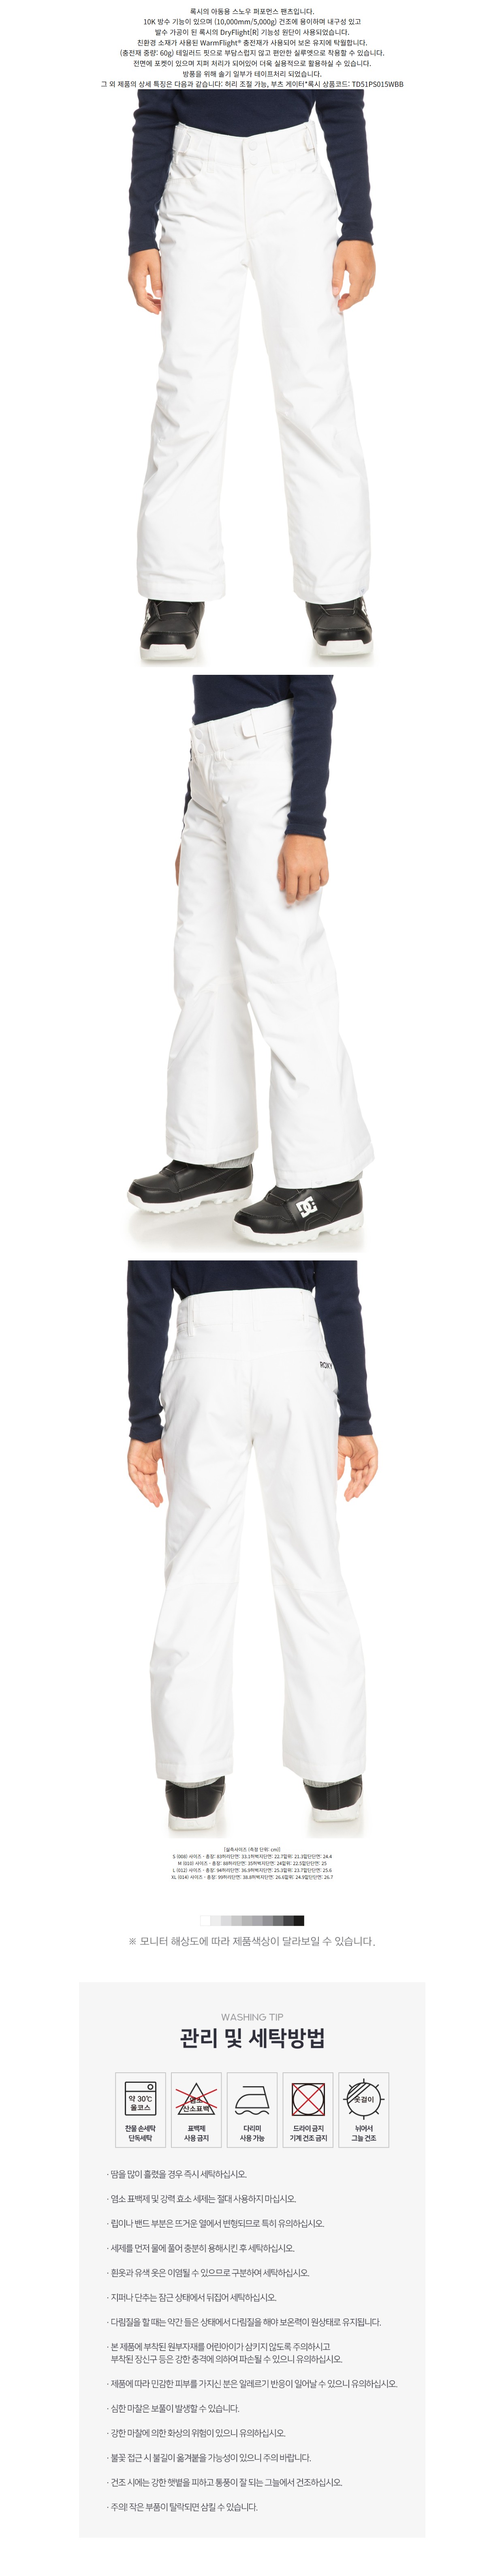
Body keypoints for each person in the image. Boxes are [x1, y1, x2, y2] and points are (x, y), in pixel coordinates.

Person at [127, 1258, 378, 1827]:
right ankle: (335, 1779)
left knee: (196, 1573)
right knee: (312, 1565)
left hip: (204, 1350)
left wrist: (145, 1421)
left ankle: (191, 1784)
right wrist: (356, 1415)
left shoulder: (170, 1201)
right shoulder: (312, 1196)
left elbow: (148, 1289)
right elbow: (339, 1290)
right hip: (294, 1347)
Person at [128, 89, 376, 659]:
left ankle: (337, 590)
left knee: (315, 386)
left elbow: (342, 100)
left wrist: (358, 227)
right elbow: (154, 107)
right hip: (196, 179)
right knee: (189, 391)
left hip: (293, 177)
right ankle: (174, 590)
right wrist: (141, 236)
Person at [128, 674, 373, 1243]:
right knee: (203, 968)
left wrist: (307, 825)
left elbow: (314, 691)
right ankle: (213, 1153)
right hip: (208, 765)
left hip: (267, 757)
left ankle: (329, 1179)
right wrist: (194, 811)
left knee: (284, 970)